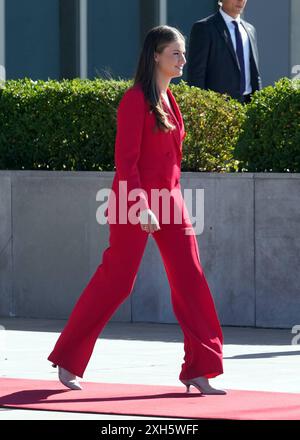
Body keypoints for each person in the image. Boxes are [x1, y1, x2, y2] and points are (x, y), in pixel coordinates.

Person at [48, 25, 226, 395]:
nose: (183, 60)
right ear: (156, 56)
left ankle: (201, 367)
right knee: (117, 282)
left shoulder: (171, 99)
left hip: (172, 202)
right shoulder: (135, 100)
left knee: (191, 278)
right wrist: (141, 206)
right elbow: (126, 163)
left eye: (183, 53)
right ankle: (67, 358)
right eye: (175, 53)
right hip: (135, 202)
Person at [187, 0, 262, 104]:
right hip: (219, 108)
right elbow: (196, 75)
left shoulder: (250, 29)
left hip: (249, 104)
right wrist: (201, 107)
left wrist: (258, 103)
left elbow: (254, 71)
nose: (241, 1)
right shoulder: (204, 27)